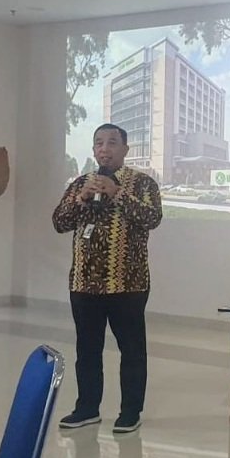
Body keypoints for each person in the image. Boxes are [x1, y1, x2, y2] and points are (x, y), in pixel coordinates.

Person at [53, 123, 162, 433]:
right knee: (87, 350)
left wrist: (117, 194)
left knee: (132, 350)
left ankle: (130, 412)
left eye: (112, 142)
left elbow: (152, 218)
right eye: (99, 143)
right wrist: (81, 198)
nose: (105, 148)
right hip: (84, 284)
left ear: (125, 149)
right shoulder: (80, 183)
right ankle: (87, 408)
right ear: (93, 150)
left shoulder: (143, 183)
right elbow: (59, 223)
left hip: (127, 283)